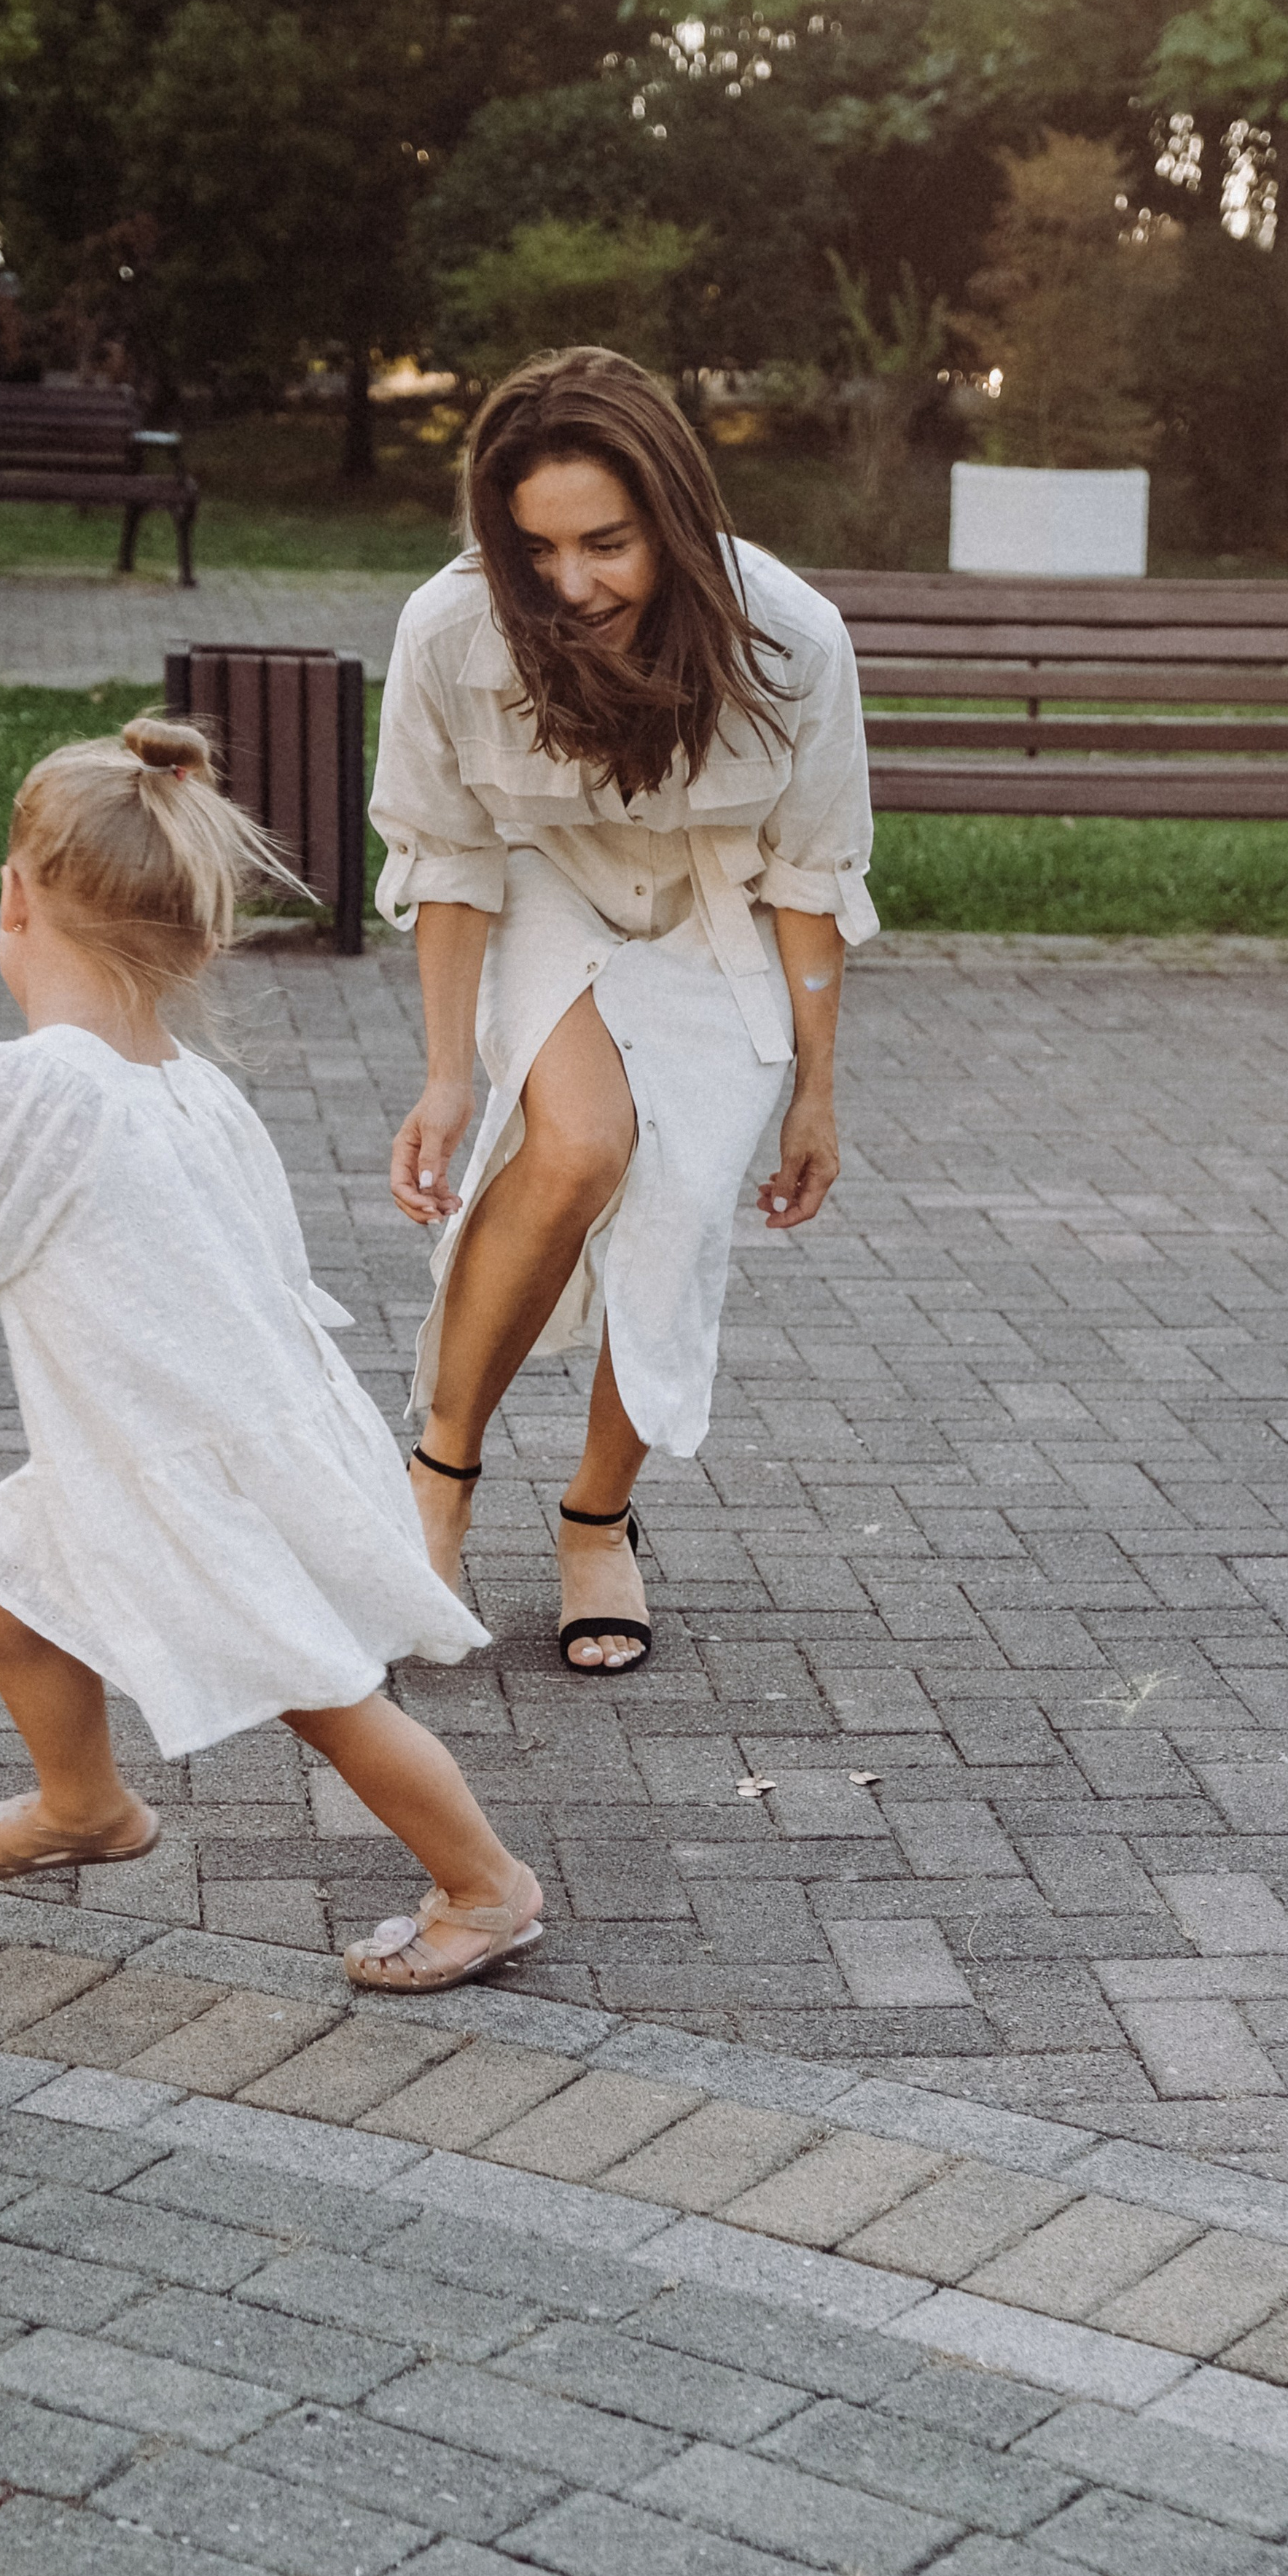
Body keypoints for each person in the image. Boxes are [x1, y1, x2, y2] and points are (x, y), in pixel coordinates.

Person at [0, 715, 542, 1993]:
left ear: (13, 897)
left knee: (322, 1689)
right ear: (196, 932)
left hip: (181, 1455)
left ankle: (486, 1888)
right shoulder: (183, 1078)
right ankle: (86, 1808)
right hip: (182, 1437)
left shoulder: (39, 1085)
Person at [372, 345, 876, 1674]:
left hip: (713, 912)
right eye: (537, 549)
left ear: (676, 513)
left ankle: (599, 1522)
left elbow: (813, 877)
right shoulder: (449, 628)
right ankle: (439, 1475)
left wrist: (817, 1091)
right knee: (586, 1146)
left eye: (606, 543)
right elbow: (450, 859)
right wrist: (446, 1076)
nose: (571, 585)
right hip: (545, 889)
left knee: (676, 1207)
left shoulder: (793, 636)